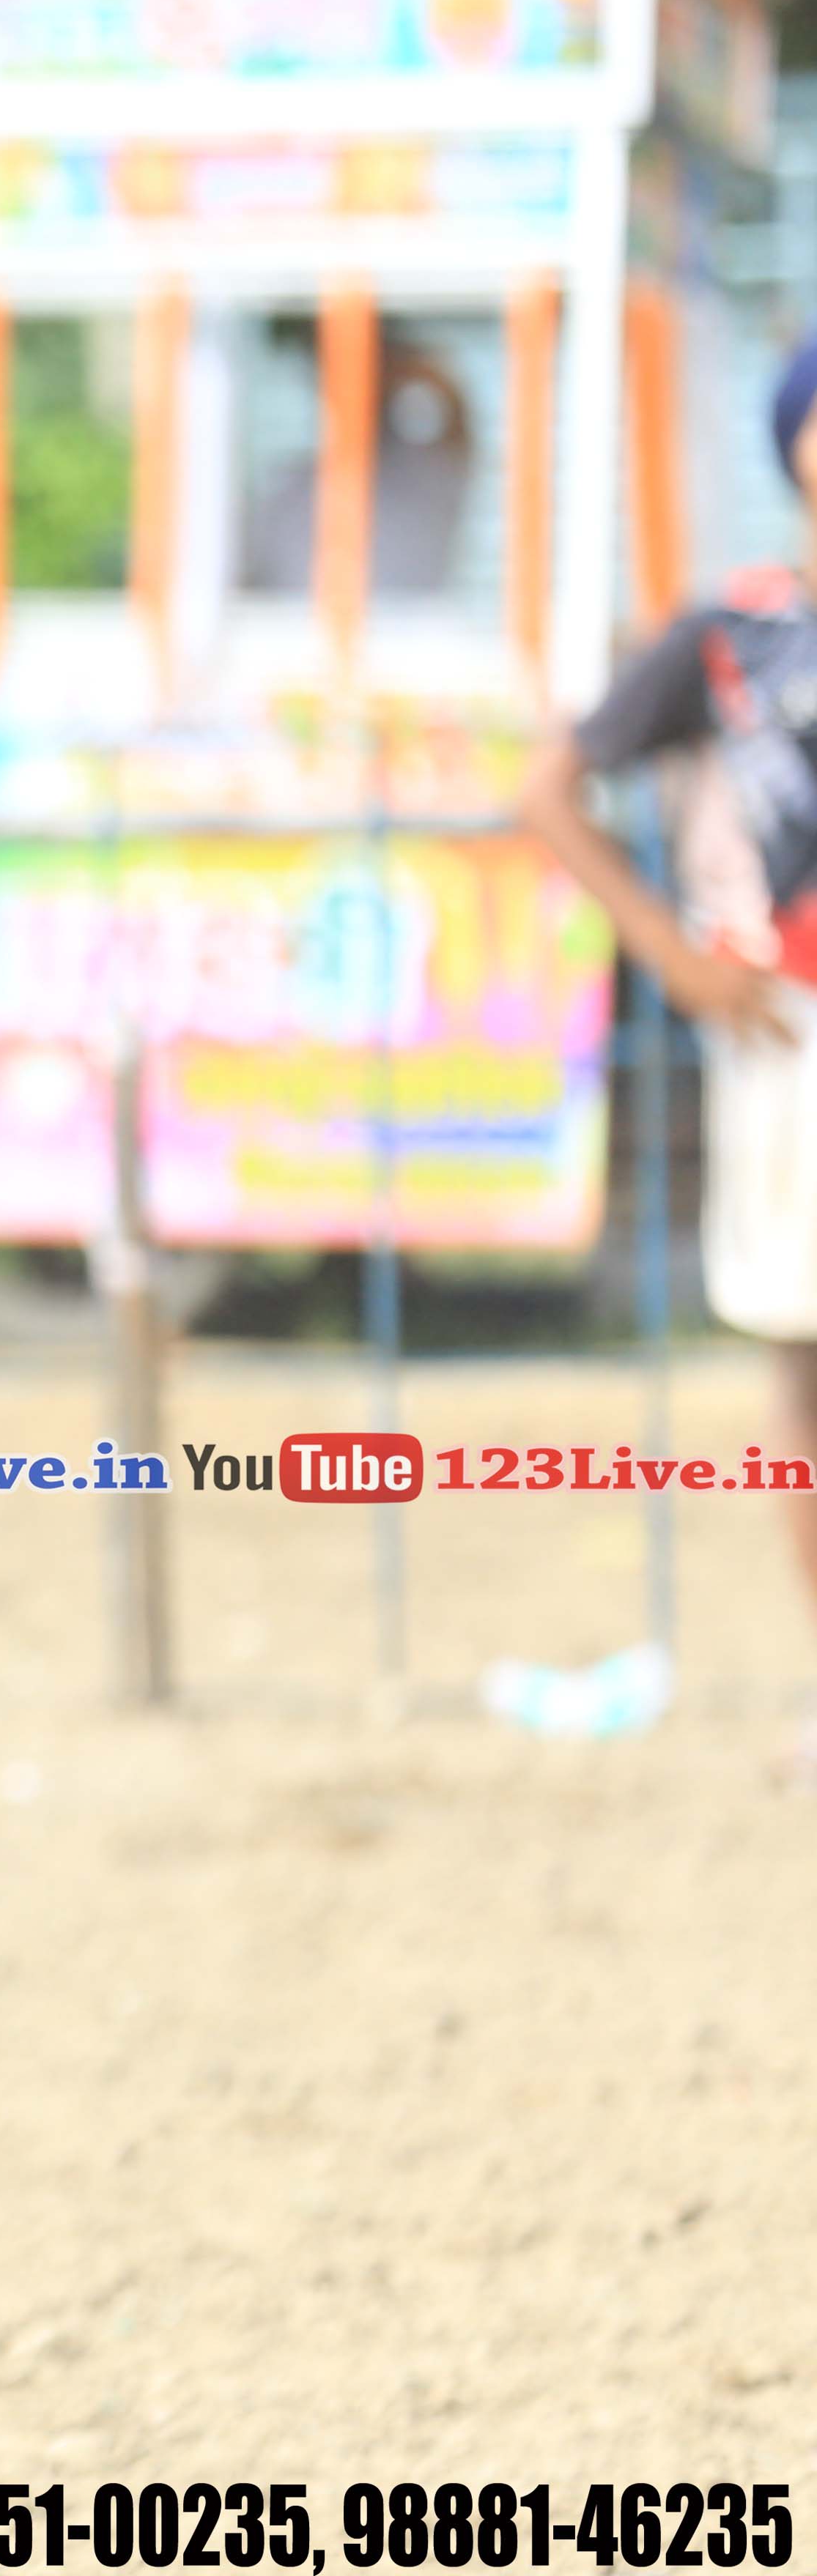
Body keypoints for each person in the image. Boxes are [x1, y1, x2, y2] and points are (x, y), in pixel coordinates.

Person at [518, 331, 817, 1781]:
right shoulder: (732, 637)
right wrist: (675, 957)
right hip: (789, 1032)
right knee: (806, 1362)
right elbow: (552, 789)